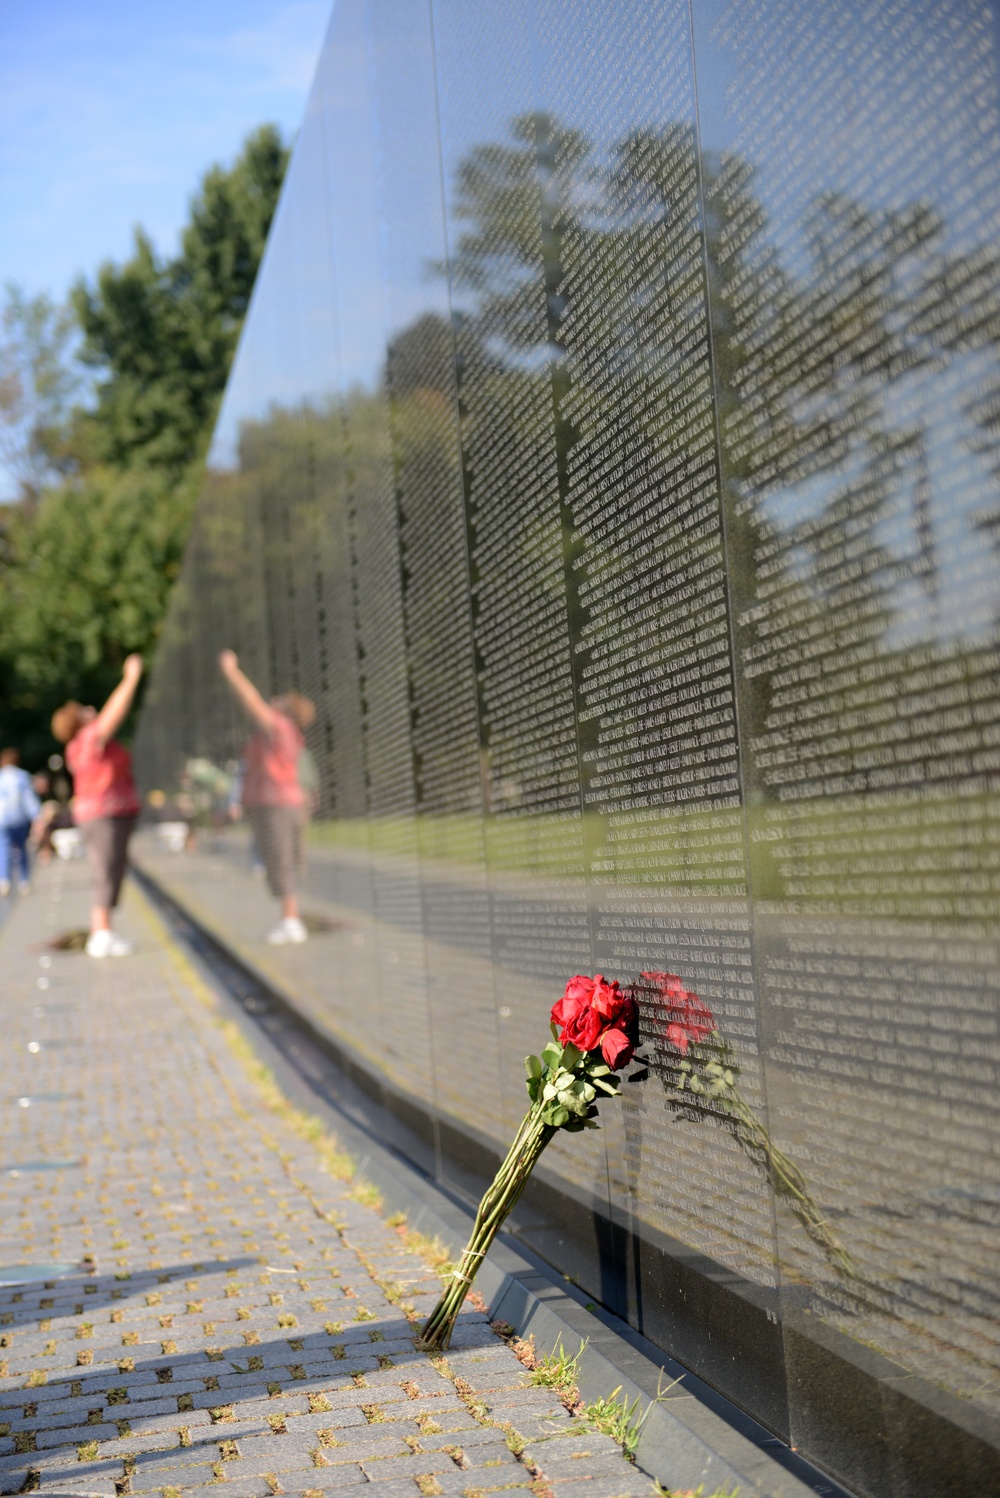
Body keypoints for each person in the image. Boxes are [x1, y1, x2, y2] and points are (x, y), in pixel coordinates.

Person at [218, 649, 313, 944]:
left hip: (277, 804)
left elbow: (251, 702)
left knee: (280, 860)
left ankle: (291, 920)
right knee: (280, 860)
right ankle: (289, 918)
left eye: (281, 701)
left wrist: (232, 671)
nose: (275, 701)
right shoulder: (280, 731)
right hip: (280, 802)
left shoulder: (279, 727)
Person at [51, 655, 143, 957]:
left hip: (106, 813)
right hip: (104, 813)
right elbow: (114, 713)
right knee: (106, 869)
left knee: (111, 868)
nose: (92, 710)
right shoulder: (89, 739)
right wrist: (130, 678)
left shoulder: (81, 745)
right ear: (79, 721)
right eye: (85, 710)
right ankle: (101, 933)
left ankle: (105, 930)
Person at [0, 749, 41, 896]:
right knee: (22, 850)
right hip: (19, 818)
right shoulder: (21, 776)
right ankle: (24, 881)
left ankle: (4, 880)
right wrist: (37, 815)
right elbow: (28, 799)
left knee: (3, 850)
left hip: (2, 820)